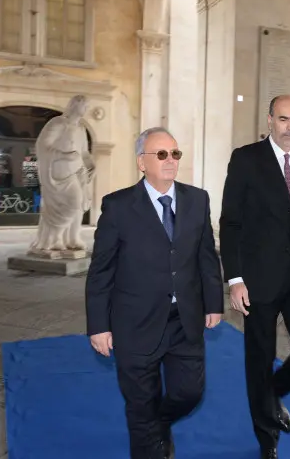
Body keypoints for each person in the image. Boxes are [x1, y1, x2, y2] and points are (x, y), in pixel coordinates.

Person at [86, 127, 224, 459]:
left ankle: (157, 423)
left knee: (189, 392)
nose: (170, 160)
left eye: (175, 153)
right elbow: (101, 269)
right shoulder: (117, 206)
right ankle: (150, 438)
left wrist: (214, 302)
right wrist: (98, 325)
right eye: (161, 154)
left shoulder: (197, 199)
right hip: (134, 322)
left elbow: (206, 255)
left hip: (184, 320)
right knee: (140, 404)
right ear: (141, 162)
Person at [220, 95, 290, 459]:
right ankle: (268, 440)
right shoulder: (246, 159)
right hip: (258, 280)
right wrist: (234, 278)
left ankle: (271, 395)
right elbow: (230, 222)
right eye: (283, 119)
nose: (289, 127)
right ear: (269, 121)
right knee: (259, 359)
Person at [30, 94, 95, 253]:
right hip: (59, 173)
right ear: (75, 105)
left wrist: (91, 165)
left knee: (79, 205)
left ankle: (72, 238)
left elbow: (84, 152)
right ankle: (55, 238)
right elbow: (42, 146)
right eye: (84, 105)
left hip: (77, 172)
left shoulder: (81, 128)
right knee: (72, 203)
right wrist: (63, 155)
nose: (86, 109)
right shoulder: (58, 123)